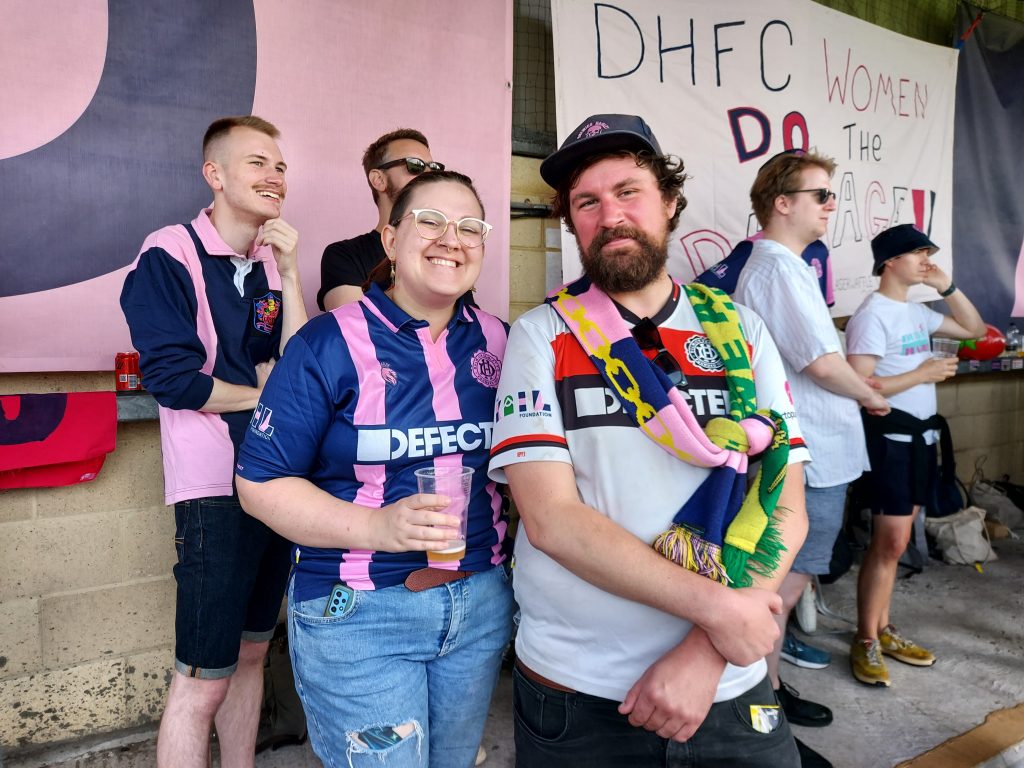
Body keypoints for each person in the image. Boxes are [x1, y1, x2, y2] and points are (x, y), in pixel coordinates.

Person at [489, 113, 811, 768]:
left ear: (668, 201)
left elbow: (785, 504)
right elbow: (551, 520)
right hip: (580, 689)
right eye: (588, 202)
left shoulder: (740, 332)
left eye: (629, 191)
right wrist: (721, 612)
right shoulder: (540, 336)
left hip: (725, 680)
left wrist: (704, 650)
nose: (611, 214)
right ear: (571, 222)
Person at [235, 170, 514, 768]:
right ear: (390, 240)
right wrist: (376, 529)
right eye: (430, 221)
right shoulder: (328, 343)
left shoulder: (502, 342)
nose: (452, 239)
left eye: (471, 227)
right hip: (359, 614)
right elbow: (259, 483)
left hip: (480, 606)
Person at [120, 115, 307, 768]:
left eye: (281, 166)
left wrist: (289, 266)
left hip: (275, 482)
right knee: (202, 677)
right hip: (213, 492)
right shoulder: (167, 254)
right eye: (258, 163)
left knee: (253, 652)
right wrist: (269, 398)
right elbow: (173, 380)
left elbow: (296, 361)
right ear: (215, 175)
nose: (274, 177)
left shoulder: (264, 265)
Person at [733, 149, 891, 768]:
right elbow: (822, 365)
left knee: (784, 581)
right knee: (777, 585)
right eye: (821, 195)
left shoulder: (789, 268)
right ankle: (761, 712)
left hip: (818, 451)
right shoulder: (774, 270)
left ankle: (766, 693)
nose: (831, 206)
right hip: (810, 456)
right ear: (783, 201)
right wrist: (874, 396)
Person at [845, 223, 985, 687]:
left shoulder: (918, 312)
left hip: (923, 441)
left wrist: (945, 285)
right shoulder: (872, 314)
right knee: (888, 543)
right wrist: (922, 373)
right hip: (891, 441)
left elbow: (973, 328)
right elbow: (860, 384)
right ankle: (865, 638)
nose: (925, 259)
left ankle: (883, 630)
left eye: (929, 252)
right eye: (917, 253)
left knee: (901, 541)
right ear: (889, 262)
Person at [318, 128, 443, 311]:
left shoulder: (446, 251)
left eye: (434, 168)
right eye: (415, 165)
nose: (428, 175)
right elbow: (356, 331)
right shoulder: (345, 255)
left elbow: (471, 330)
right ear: (378, 179)